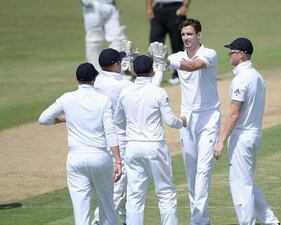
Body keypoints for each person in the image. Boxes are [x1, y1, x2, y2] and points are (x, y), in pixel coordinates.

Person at [38, 63, 122, 225]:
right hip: (100, 157)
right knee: (107, 206)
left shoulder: (67, 98)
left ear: (77, 79)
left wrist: (63, 119)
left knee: (80, 211)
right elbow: (111, 131)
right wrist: (118, 160)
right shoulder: (103, 99)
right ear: (94, 79)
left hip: (75, 158)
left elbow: (43, 119)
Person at [213, 38, 280, 225]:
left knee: (240, 186)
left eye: (232, 52)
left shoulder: (242, 79)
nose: (229, 55)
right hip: (254, 134)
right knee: (247, 182)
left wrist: (220, 141)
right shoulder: (258, 76)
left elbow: (234, 113)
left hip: (242, 136)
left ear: (241, 54)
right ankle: (271, 221)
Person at [114, 55, 187, 225]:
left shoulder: (125, 92)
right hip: (155, 147)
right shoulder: (158, 92)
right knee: (165, 192)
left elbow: (118, 121)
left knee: (134, 195)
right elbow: (170, 121)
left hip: (132, 147)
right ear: (153, 70)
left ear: (133, 70)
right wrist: (182, 122)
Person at [166, 18, 221, 225]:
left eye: (190, 34)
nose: (186, 38)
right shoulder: (177, 56)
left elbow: (193, 66)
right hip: (187, 118)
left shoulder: (209, 54)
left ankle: (198, 220)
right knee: (191, 171)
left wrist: (168, 61)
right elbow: (150, 71)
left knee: (203, 170)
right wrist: (133, 62)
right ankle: (199, 218)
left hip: (209, 117)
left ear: (199, 35)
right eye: (183, 35)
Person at [91, 48, 132, 225]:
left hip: (99, 139)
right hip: (119, 139)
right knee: (118, 185)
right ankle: (98, 222)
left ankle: (126, 218)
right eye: (119, 62)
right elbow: (146, 91)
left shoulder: (96, 81)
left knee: (124, 184)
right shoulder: (124, 84)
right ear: (115, 65)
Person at [146, 0, 191, 84]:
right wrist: (149, 8)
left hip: (176, 9)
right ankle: (155, 74)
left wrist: (185, 5)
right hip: (159, 9)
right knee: (154, 44)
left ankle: (178, 75)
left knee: (177, 43)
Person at [80, 0, 127, 69]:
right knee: (94, 38)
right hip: (93, 5)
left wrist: (114, 5)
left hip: (110, 5)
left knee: (117, 38)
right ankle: (95, 72)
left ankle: (115, 69)